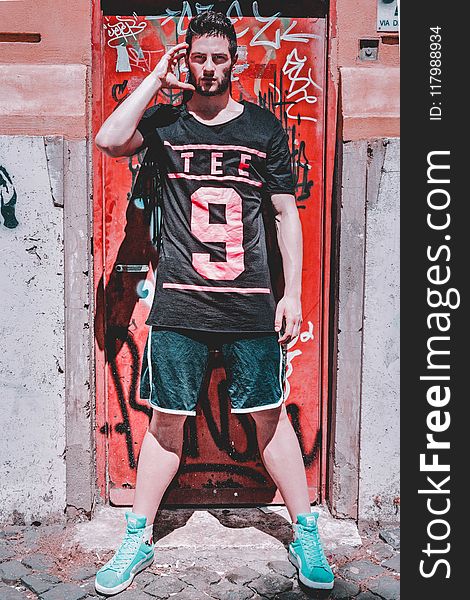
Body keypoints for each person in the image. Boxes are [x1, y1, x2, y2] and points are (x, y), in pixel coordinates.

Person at [94, 11, 334, 596]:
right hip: (179, 304)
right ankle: (137, 536)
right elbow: (107, 139)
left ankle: (305, 530)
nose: (207, 68)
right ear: (188, 60)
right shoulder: (167, 124)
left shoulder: (263, 129)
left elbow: (284, 217)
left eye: (217, 57)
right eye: (197, 57)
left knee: (267, 419)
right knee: (166, 423)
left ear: (235, 60)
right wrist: (157, 73)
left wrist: (293, 294)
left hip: (249, 305)